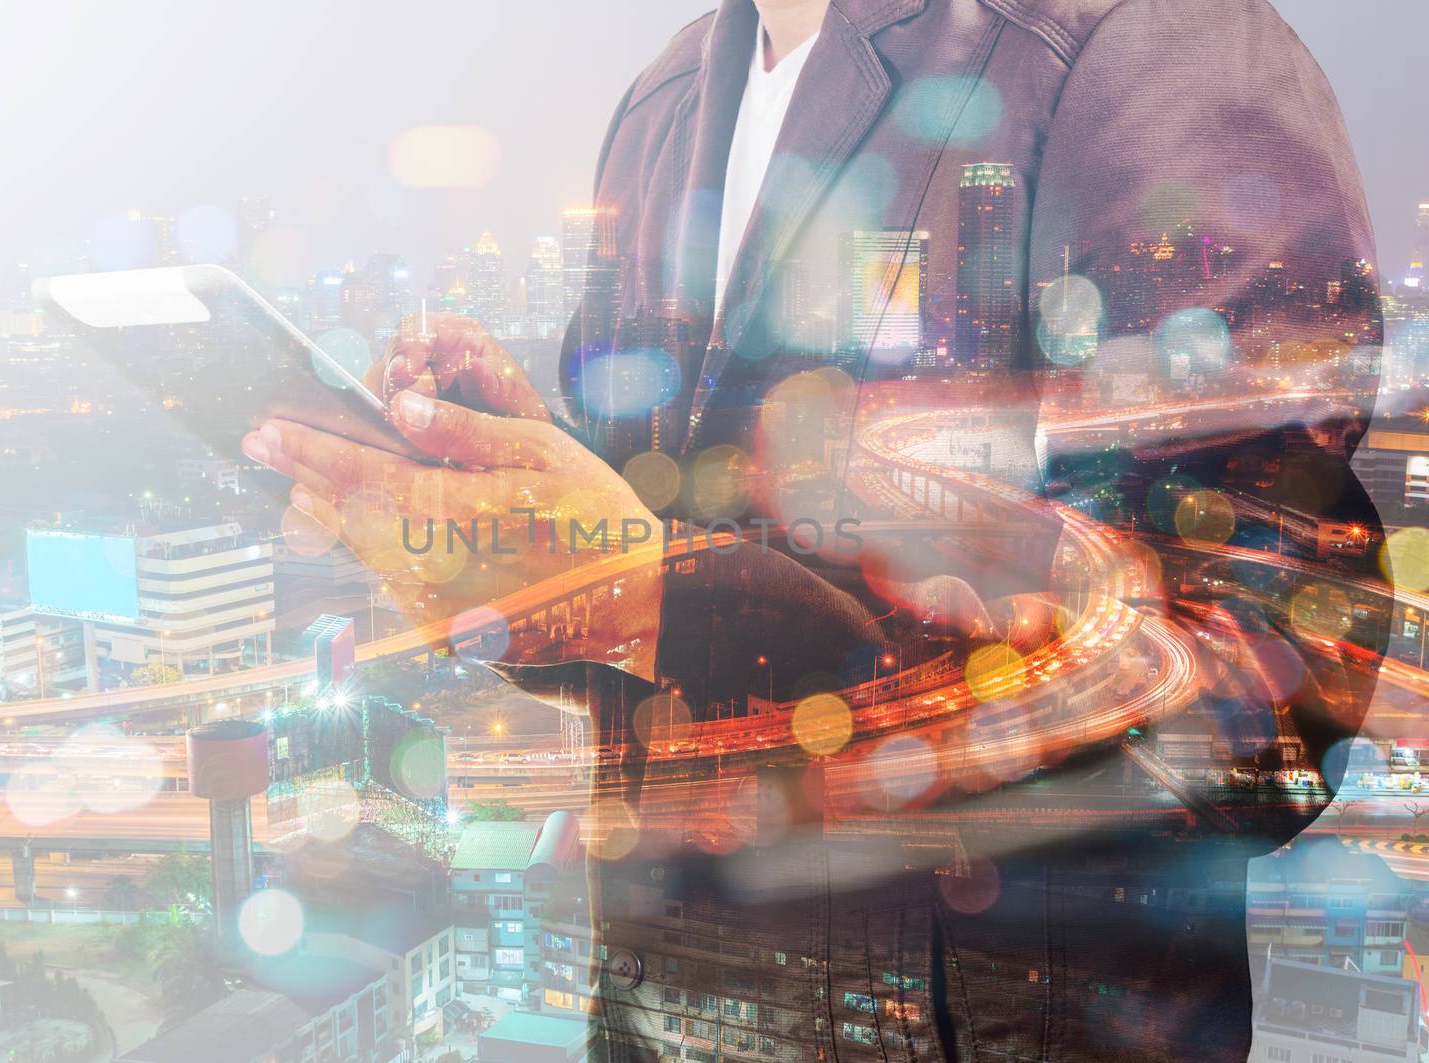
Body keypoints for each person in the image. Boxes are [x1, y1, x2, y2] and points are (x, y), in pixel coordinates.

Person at [244, 0, 1386, 1057]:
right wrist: (522, 537)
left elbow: (1261, 701)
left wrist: (664, 595)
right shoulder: (670, 102)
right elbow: (662, 649)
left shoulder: (1143, 45)